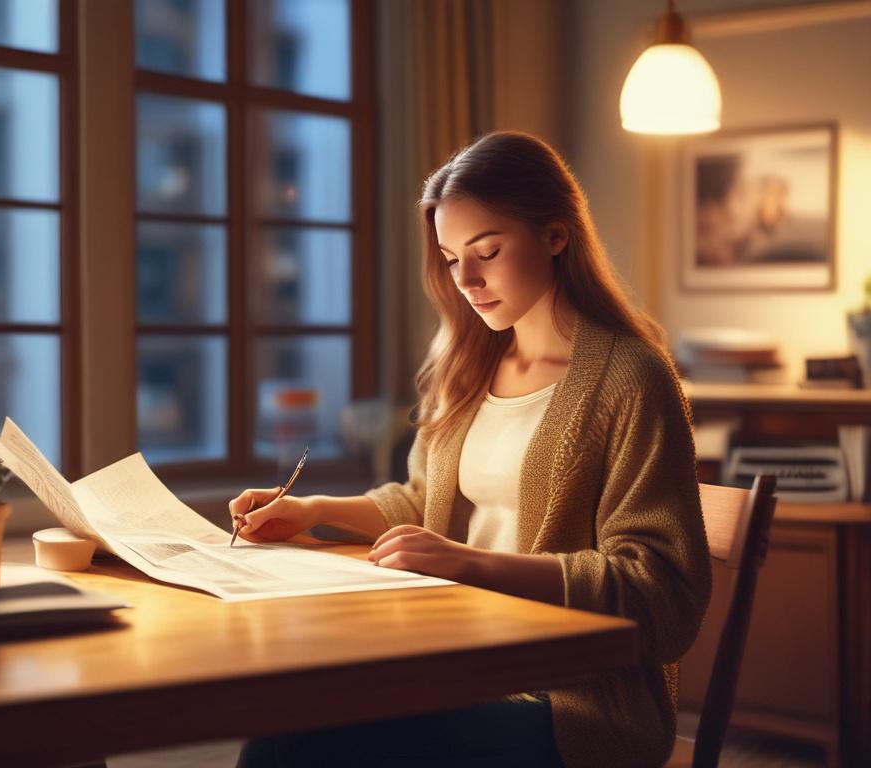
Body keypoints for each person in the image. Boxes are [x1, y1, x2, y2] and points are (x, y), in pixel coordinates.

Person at [229, 131, 712, 768]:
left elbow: (663, 594)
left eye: (487, 250)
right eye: (452, 258)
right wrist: (316, 508)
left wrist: (471, 565)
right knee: (290, 715)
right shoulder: (470, 365)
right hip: (456, 661)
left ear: (556, 235)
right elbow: (425, 503)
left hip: (575, 702)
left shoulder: (632, 378)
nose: (467, 280)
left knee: (292, 745)